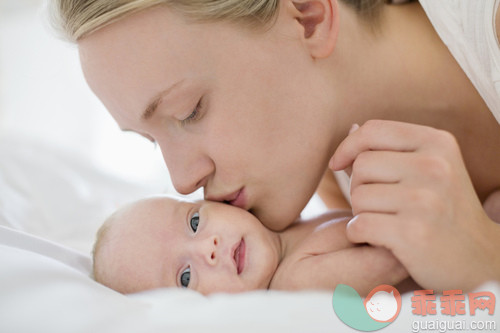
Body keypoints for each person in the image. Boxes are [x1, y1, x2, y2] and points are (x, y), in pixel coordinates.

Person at [52, 0, 500, 292]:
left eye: (189, 111)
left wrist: (485, 256)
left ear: (308, 17)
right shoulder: (329, 169)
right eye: (152, 142)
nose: (182, 180)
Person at [93, 195, 410, 295]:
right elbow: (398, 255)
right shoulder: (297, 280)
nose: (209, 248)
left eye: (194, 222)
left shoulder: (287, 221)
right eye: (185, 277)